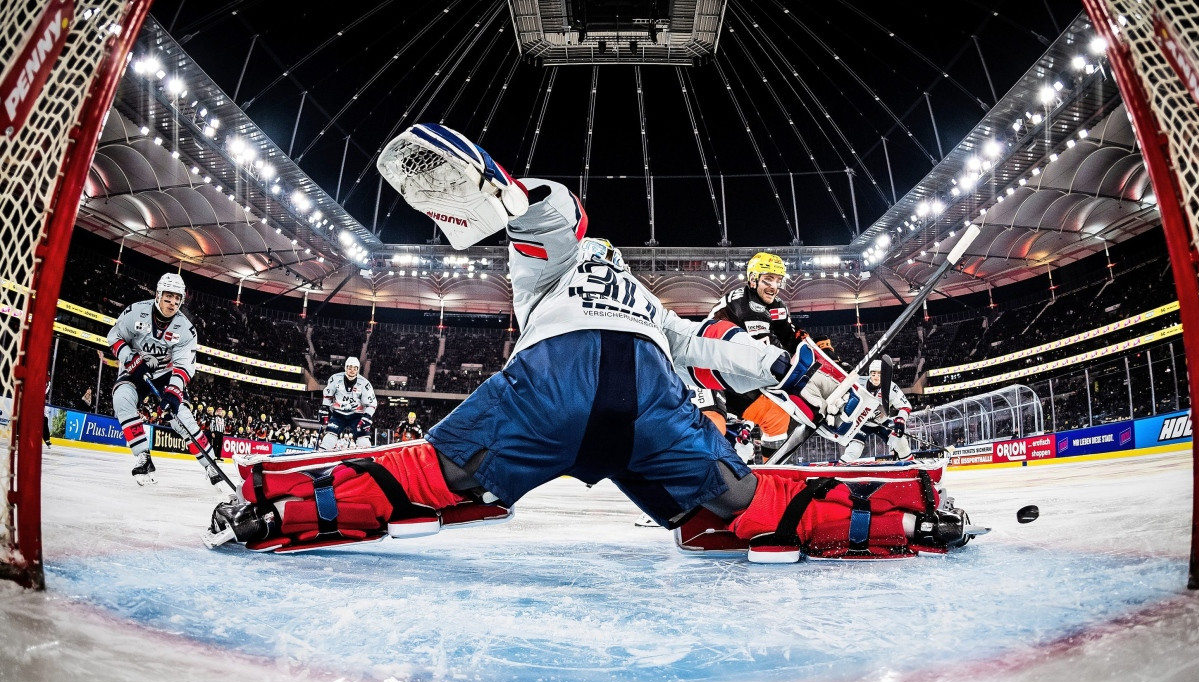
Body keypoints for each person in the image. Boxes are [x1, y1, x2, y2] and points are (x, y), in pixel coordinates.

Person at [207, 124, 971, 561]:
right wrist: (513, 199)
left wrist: (784, 365)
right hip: (637, 393)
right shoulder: (545, 274)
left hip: (559, 388)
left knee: (432, 477)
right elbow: (556, 222)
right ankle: (906, 519)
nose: (603, 254)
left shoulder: (608, 292)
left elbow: (713, 345)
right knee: (738, 504)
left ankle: (274, 510)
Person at [105, 273, 229, 491]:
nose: (172, 303)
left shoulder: (186, 329)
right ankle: (143, 457)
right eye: (168, 296)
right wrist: (130, 359)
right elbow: (114, 337)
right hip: (135, 369)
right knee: (122, 399)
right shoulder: (135, 312)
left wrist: (173, 392)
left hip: (165, 375)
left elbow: (183, 366)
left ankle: (211, 466)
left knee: (181, 417)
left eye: (177, 298)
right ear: (158, 295)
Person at [699, 252, 806, 460]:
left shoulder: (776, 306)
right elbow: (770, 356)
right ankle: (697, 479)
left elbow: (791, 339)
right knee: (714, 424)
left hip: (735, 373)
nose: (773, 286)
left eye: (777, 280)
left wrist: (811, 345)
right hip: (706, 371)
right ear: (753, 279)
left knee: (775, 416)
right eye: (767, 279)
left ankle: (772, 473)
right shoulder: (747, 306)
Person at [840, 359, 913, 462]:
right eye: (873, 373)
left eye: (879, 373)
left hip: (882, 422)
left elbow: (905, 406)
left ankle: (911, 466)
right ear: (869, 374)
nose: (876, 376)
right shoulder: (858, 382)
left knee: (900, 442)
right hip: (861, 423)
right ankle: (842, 469)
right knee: (854, 450)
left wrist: (900, 421)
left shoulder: (891, 387)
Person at [318, 356, 377, 450]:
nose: (352, 370)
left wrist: (367, 416)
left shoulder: (365, 383)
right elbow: (328, 395)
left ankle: (365, 458)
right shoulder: (335, 379)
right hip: (338, 414)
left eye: (355, 368)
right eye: (349, 367)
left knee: (363, 442)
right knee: (329, 438)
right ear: (345, 367)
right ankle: (322, 455)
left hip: (357, 415)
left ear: (358, 369)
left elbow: (372, 403)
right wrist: (324, 407)